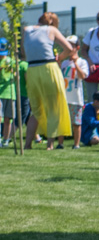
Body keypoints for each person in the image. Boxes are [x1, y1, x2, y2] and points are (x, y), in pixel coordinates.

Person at [23, 12, 78, 150]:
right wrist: (59, 58)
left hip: (32, 69)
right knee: (54, 107)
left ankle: (28, 144)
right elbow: (70, 49)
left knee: (36, 110)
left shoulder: (26, 30)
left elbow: (24, 53)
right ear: (53, 23)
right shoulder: (51, 30)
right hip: (49, 68)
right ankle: (50, 144)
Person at [60, 36, 90, 149]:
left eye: (71, 45)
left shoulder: (83, 62)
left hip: (76, 97)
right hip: (64, 97)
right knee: (62, 121)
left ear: (77, 47)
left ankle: (76, 144)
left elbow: (83, 76)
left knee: (76, 123)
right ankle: (60, 143)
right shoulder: (64, 63)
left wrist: (76, 63)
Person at [0, 40, 19, 147]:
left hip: (10, 92)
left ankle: (6, 140)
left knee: (8, 118)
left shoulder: (11, 61)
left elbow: (16, 76)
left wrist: (14, 71)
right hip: (0, 92)